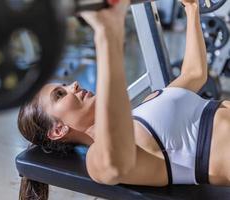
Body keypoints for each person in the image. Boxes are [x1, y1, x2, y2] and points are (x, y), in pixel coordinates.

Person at [18, 0, 230, 193]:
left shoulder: (145, 106)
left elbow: (194, 75)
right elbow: (114, 163)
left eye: (65, 85)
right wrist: (107, 32)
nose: (74, 84)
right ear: (58, 130)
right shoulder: (97, 160)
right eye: (60, 94)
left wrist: (191, 8)